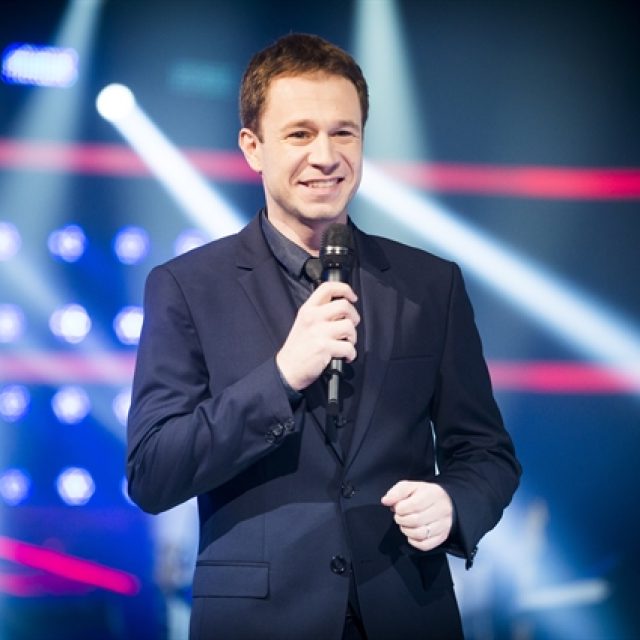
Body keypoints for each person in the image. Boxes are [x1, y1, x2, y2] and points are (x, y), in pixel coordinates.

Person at [126, 33, 521, 640]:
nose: (326, 156)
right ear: (253, 148)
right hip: (258, 622)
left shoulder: (430, 284)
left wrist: (454, 503)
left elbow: (486, 452)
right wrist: (281, 377)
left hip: (407, 613)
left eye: (344, 133)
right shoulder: (188, 286)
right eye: (299, 134)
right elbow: (153, 472)